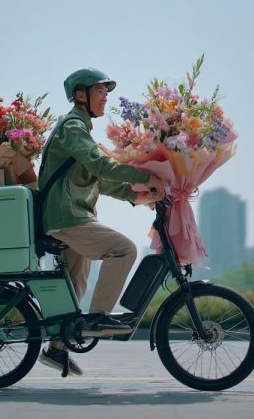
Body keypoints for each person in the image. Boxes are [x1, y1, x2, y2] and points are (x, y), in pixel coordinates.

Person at [37, 68, 165, 375]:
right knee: (123, 250)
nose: (105, 97)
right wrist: (145, 176)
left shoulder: (81, 131)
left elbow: (100, 182)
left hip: (71, 214)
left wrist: (140, 196)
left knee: (75, 284)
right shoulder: (72, 126)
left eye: (107, 93)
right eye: (100, 92)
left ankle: (57, 349)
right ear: (81, 95)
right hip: (66, 215)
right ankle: (98, 318)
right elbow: (100, 165)